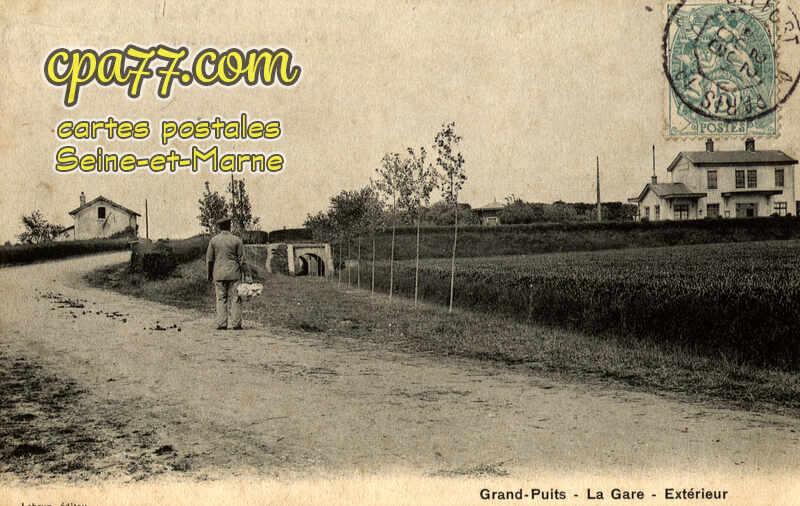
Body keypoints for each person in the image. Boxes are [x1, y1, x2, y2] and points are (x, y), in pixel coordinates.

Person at [206, 216, 250, 330]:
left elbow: (210, 260)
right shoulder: (237, 240)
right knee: (235, 298)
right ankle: (236, 324)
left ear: (220, 227)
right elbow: (242, 260)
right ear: (230, 226)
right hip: (234, 274)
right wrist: (248, 275)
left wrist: (210, 275)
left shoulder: (214, 241)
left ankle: (222, 324)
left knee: (221, 299)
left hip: (219, 274)